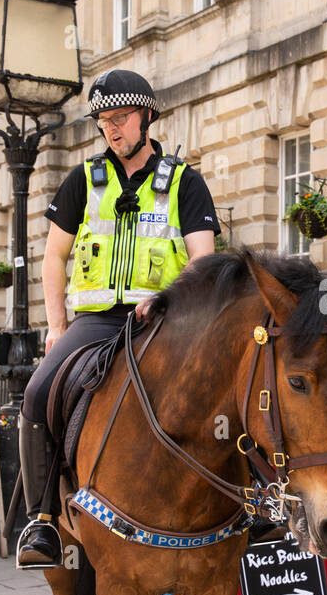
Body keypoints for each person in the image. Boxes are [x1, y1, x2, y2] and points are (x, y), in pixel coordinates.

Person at [17, 69, 218, 568]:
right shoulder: (83, 180)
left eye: (121, 118)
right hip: (97, 320)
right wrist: (57, 325)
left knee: (225, 382)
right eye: (104, 120)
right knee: (37, 393)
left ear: (146, 117)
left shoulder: (184, 183)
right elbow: (52, 257)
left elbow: (204, 260)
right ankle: (41, 522)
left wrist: (168, 298)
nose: (112, 128)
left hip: (166, 320)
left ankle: (252, 503)